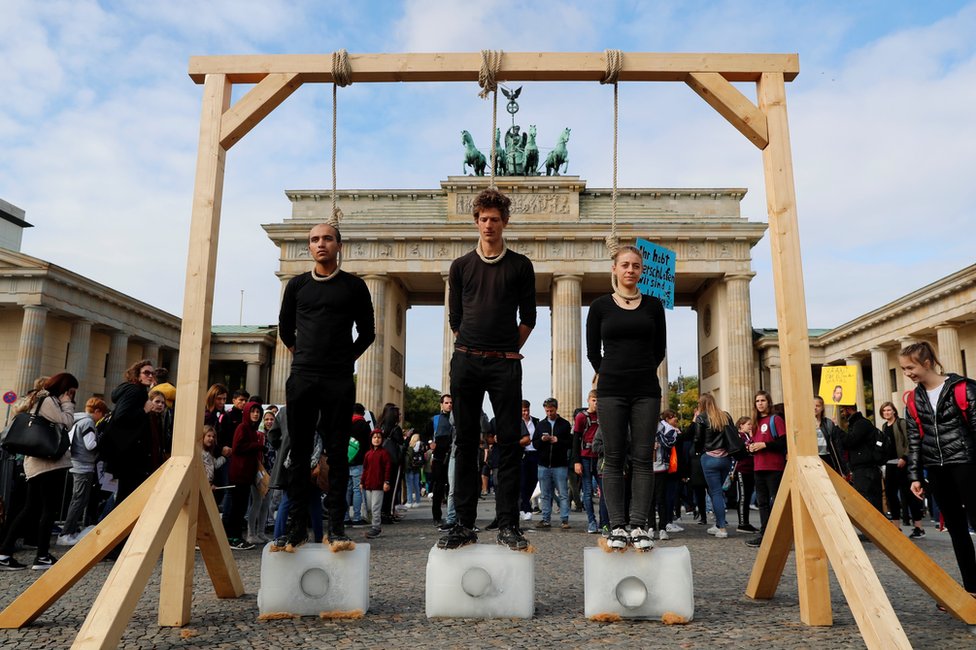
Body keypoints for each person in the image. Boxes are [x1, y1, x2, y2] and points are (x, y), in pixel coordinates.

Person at [439, 188, 536, 551]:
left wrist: (508, 350)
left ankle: (508, 524)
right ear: (476, 222)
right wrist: (469, 349)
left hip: (504, 365)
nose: (489, 225)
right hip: (466, 361)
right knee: (465, 442)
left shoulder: (520, 265)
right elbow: (455, 318)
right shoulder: (460, 266)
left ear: (505, 222)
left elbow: (529, 317)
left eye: (495, 219)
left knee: (509, 444)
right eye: (484, 219)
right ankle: (462, 523)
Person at [276, 221, 375, 550]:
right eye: (315, 240)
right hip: (303, 376)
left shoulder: (354, 287)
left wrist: (345, 359)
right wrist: (303, 355)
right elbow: (286, 329)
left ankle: (336, 527)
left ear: (339, 245)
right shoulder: (297, 285)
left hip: (338, 379)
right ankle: (296, 526)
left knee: (336, 454)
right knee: (298, 454)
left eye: (328, 239)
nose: (321, 244)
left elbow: (368, 332)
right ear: (309, 247)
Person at [585, 244, 667, 551]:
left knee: (643, 458)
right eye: (625, 265)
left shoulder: (654, 306)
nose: (630, 270)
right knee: (613, 458)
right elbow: (594, 351)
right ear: (614, 269)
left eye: (635, 265)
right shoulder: (600, 307)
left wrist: (640, 370)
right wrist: (611, 372)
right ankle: (617, 526)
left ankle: (639, 526)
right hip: (611, 391)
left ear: (641, 270)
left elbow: (659, 349)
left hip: (646, 390)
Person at [902, 341, 976, 594]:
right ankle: (972, 589)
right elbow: (914, 440)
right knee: (956, 530)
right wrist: (914, 476)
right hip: (936, 468)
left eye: (910, 367)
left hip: (967, 464)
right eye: (903, 369)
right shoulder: (913, 399)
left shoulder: (964, 388)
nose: (907, 373)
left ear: (927, 362)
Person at [0, 373, 77, 571]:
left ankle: (6, 553)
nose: (71, 395)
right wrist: (67, 403)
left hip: (38, 464)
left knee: (31, 508)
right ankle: (39, 555)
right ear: (64, 388)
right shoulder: (49, 400)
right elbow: (67, 422)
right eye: (70, 391)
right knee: (44, 510)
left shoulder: (40, 398)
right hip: (48, 464)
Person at [57, 397, 108, 546]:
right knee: (79, 500)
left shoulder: (78, 420)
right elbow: (90, 444)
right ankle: (66, 533)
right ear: (97, 411)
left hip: (77, 464)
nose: (102, 418)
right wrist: (102, 439)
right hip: (83, 465)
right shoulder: (88, 422)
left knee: (78, 499)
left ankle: (69, 530)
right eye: (102, 414)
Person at [745, 390, 788, 548]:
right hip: (759, 466)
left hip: (774, 466)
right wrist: (751, 448)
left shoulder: (775, 419)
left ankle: (779, 535)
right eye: (757, 401)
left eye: (763, 400)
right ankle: (765, 534)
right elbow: (754, 442)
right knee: (762, 503)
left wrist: (764, 445)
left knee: (775, 501)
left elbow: (783, 442)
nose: (760, 403)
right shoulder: (755, 423)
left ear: (768, 402)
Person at [690, 393, 735, 539]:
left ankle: (721, 528)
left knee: (714, 492)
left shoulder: (701, 417)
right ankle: (718, 524)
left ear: (701, 404)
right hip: (726, 459)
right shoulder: (725, 416)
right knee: (718, 492)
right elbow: (733, 434)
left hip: (709, 458)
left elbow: (697, 439)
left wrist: (698, 451)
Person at [879, 401, 924, 538]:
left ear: (894, 411)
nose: (886, 412)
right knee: (891, 496)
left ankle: (918, 528)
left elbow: (910, 441)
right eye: (884, 411)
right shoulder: (884, 426)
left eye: (888, 410)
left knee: (909, 495)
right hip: (890, 464)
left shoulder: (901, 423)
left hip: (903, 464)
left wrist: (904, 457)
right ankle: (896, 527)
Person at [224, 401, 265, 550]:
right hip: (239, 475)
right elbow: (238, 448)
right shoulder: (243, 427)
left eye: (258, 412)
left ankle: (236, 537)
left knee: (241, 508)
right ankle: (232, 538)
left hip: (246, 475)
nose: (255, 414)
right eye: (253, 411)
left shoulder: (252, 430)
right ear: (247, 413)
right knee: (236, 508)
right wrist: (257, 446)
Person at [532, 397, 572, 530]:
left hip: (560, 464)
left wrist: (557, 440)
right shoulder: (540, 425)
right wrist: (542, 440)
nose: (549, 413)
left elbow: (570, 443)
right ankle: (545, 519)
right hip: (543, 464)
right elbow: (535, 444)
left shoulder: (565, 424)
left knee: (563, 493)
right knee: (545, 494)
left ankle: (564, 520)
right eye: (547, 411)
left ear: (556, 408)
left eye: (551, 410)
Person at [837, 403, 884, 514]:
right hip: (863, 469)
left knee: (867, 500)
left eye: (843, 411)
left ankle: (874, 529)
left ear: (849, 409)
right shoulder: (856, 424)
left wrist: (837, 429)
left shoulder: (861, 423)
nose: (842, 414)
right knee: (869, 500)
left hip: (866, 470)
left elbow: (850, 441)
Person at [572, 390, 600, 534]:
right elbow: (576, 440)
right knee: (588, 491)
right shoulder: (581, 417)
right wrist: (576, 461)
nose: (596, 403)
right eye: (594, 400)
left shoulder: (603, 416)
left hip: (600, 457)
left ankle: (605, 522)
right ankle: (591, 521)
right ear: (588, 400)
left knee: (605, 492)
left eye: (598, 400)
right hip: (585, 457)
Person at [426, 394, 454, 526]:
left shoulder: (457, 418)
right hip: (439, 457)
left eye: (451, 403)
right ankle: (437, 516)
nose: (449, 405)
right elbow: (425, 434)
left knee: (452, 488)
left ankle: (452, 516)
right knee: (438, 487)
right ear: (441, 404)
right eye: (447, 402)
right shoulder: (435, 419)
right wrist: (430, 442)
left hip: (453, 456)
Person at [652, 410, 680, 540]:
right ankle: (651, 527)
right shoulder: (642, 426)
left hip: (661, 467)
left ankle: (663, 527)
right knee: (649, 500)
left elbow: (670, 443)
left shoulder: (669, 429)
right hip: (646, 468)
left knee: (661, 499)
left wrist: (658, 435)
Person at [361, 429, 392, 539]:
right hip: (368, 485)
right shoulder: (368, 454)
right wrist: (362, 482)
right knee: (370, 507)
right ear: (371, 439)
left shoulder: (384, 453)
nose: (376, 439)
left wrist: (386, 481)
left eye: (379, 437)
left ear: (382, 439)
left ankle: (376, 527)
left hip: (379, 485)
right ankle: (374, 525)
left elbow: (388, 469)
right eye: (374, 437)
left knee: (375, 507)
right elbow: (365, 469)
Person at [347, 403, 372, 527]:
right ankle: (357, 517)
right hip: (359, 461)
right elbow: (368, 445)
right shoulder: (363, 425)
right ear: (362, 413)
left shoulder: (345, 423)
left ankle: (345, 517)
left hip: (346, 461)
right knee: (357, 490)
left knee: (346, 490)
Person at [731, 416, 757, 534]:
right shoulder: (739, 436)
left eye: (751, 424)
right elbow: (744, 448)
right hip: (742, 468)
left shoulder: (748, 436)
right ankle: (742, 523)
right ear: (741, 425)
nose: (750, 426)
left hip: (750, 468)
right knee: (742, 496)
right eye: (748, 424)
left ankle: (746, 522)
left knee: (747, 496)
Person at [519, 400, 540, 522]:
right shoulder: (517, 423)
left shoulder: (536, 422)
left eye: (527, 410)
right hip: (523, 454)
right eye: (523, 411)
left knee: (533, 481)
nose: (525, 413)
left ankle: (525, 504)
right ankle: (525, 507)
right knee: (523, 482)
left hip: (535, 453)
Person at [814, 396, 846, 474]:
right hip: (813, 458)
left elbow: (837, 446)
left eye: (817, 406)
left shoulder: (828, 423)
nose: (815, 408)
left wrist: (842, 469)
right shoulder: (804, 423)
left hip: (827, 457)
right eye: (812, 406)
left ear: (822, 408)